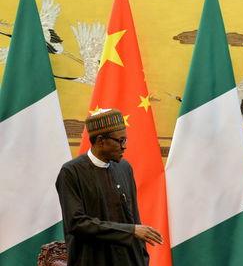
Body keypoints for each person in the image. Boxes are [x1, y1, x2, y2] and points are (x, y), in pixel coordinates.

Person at [56, 109, 163, 266]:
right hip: (92, 259)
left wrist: (142, 259)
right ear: (101, 141)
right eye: (120, 141)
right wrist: (130, 230)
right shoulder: (71, 172)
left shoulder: (124, 168)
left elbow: (133, 216)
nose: (124, 146)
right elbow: (77, 223)